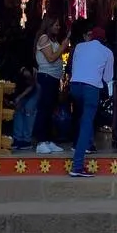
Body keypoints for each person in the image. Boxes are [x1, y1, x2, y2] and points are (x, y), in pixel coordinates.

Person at [69, 25, 114, 177]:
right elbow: (108, 78)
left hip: (75, 86)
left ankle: (84, 145)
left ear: (91, 36)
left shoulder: (79, 46)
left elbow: (73, 68)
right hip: (91, 89)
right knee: (87, 123)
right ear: (104, 40)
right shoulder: (107, 52)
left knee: (81, 117)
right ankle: (77, 166)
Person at [33, 13, 67, 152]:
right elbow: (51, 58)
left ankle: (49, 140)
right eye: (56, 25)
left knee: (51, 109)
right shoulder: (44, 38)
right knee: (44, 109)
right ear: (49, 25)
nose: (58, 27)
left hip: (53, 78)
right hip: (46, 77)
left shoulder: (52, 39)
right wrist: (63, 47)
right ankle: (41, 142)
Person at [12, 65, 39, 153]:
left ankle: (27, 140)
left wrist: (20, 97)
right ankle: (17, 138)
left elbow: (32, 86)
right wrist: (16, 100)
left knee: (29, 111)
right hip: (20, 90)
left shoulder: (30, 72)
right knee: (18, 112)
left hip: (33, 90)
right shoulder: (15, 76)